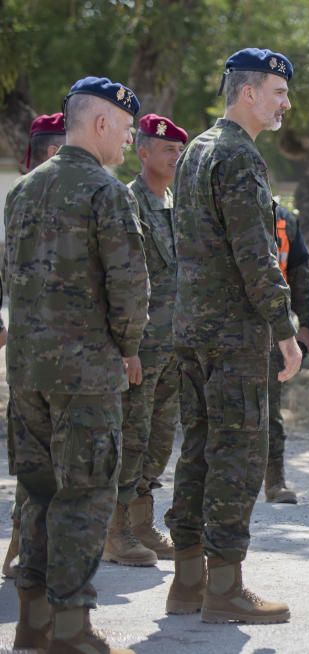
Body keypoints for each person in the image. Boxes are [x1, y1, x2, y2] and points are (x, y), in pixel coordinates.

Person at [5, 76, 146, 654]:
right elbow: (129, 288)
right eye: (129, 128)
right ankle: (72, 629)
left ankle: (31, 624)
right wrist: (130, 346)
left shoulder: (23, 190)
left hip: (27, 373)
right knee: (84, 497)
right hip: (86, 376)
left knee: (37, 493)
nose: (130, 140)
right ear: (102, 122)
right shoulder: (106, 192)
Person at [165, 47, 301, 624]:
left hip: (192, 328)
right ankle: (224, 588)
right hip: (232, 333)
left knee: (196, 451)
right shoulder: (239, 157)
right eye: (278, 92)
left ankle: (188, 583)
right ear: (248, 92)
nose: (285, 103)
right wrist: (285, 329)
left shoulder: (195, 150)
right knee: (237, 456)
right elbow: (256, 255)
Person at [100, 113, 187, 569]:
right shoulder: (126, 203)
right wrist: (124, 345)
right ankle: (116, 532)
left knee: (158, 438)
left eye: (179, 150)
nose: (175, 157)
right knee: (130, 437)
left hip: (173, 346)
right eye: (167, 148)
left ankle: (142, 524)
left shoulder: (179, 206)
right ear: (144, 151)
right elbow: (120, 277)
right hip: (138, 347)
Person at [3, 111, 66, 580]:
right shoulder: (36, 197)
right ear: (51, 151)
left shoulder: (20, 196)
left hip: (35, 354)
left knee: (39, 457)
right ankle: (27, 544)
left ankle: (28, 546)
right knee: (41, 460)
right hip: (53, 356)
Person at [264, 203, 309, 503]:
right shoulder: (217, 209)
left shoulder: (284, 221)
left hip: (272, 328)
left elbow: (299, 275)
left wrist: (306, 323)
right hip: (223, 327)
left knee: (270, 409)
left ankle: (275, 481)